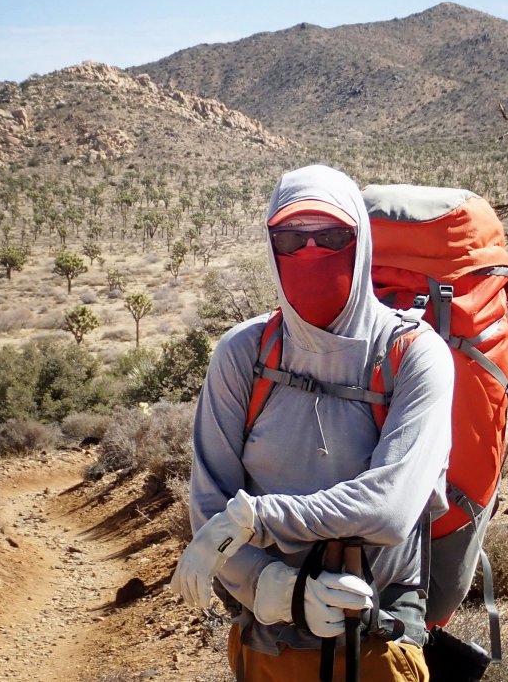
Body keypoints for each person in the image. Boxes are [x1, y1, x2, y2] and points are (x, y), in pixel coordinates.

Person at [171, 164, 454, 681]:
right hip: (267, 642)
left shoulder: (414, 355)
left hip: (378, 640)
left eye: (330, 237)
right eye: (290, 239)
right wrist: (279, 592)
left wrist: (257, 517)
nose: (309, 253)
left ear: (361, 240)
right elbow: (210, 505)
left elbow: (388, 508)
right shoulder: (244, 355)